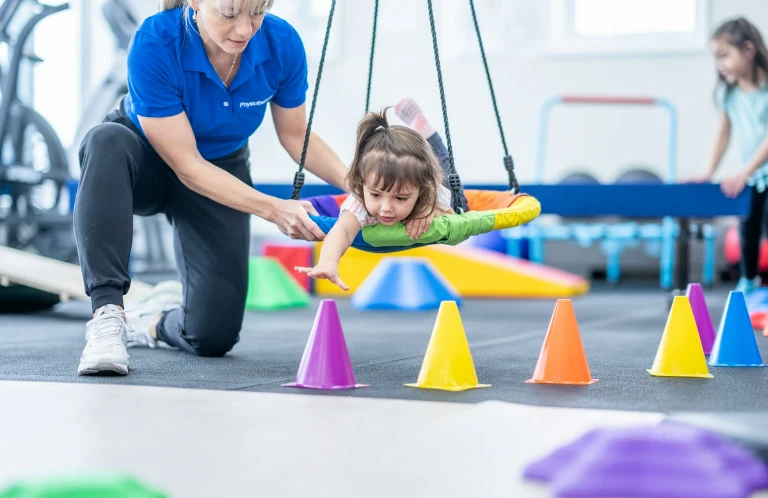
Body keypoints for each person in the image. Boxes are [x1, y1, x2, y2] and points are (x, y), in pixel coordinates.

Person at [75, 0, 349, 375]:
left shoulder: (282, 43)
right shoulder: (156, 40)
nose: (244, 30)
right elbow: (186, 165)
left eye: (257, 13)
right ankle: (108, 315)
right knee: (105, 140)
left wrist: (360, 187)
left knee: (212, 337)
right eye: (228, 13)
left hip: (221, 166)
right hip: (144, 159)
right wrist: (273, 208)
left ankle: (153, 319)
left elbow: (296, 134)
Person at [295, 99, 468, 290]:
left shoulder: (430, 193)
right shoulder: (359, 202)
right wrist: (328, 262)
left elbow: (455, 220)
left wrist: (428, 211)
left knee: (444, 166)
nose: (386, 208)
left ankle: (427, 134)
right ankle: (422, 138)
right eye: (376, 195)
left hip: (435, 187)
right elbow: (342, 231)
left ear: (421, 192)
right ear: (362, 185)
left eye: (400, 198)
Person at [689, 17, 768, 295]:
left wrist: (744, 171)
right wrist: (708, 171)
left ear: (748, 50)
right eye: (716, 58)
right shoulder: (728, 93)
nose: (720, 64)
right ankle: (749, 281)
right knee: (748, 227)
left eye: (725, 55)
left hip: (756, 171)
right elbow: (723, 134)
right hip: (756, 175)